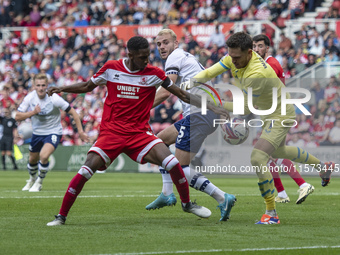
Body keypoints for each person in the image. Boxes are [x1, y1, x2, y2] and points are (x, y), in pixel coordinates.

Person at [45, 36, 229, 226]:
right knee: (85, 170)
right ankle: (61, 216)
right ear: (130, 55)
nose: (146, 61)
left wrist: (213, 108)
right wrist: (62, 88)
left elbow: (182, 93)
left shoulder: (154, 73)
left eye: (148, 56)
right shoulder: (111, 68)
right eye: (142, 57)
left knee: (172, 163)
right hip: (112, 133)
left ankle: (187, 203)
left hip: (139, 134)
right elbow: (87, 86)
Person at [187, 32, 335, 224]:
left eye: (237, 58)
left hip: (280, 114)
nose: (233, 61)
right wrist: (189, 82)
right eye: (231, 56)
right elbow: (208, 73)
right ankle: (322, 168)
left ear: (249, 53)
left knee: (257, 157)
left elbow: (245, 108)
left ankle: (271, 214)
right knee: (279, 151)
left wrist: (211, 101)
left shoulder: (256, 73)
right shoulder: (235, 56)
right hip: (270, 112)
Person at [145, 29, 236, 222]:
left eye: (166, 42)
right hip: (202, 112)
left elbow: (165, 91)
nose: (162, 46)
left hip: (200, 114)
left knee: (181, 168)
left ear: (175, 44)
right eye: (159, 43)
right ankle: (166, 194)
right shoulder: (183, 57)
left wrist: (138, 107)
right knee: (158, 143)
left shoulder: (174, 57)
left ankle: (222, 197)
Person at [252, 34, 315, 204]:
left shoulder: (271, 64)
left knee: (267, 154)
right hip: (273, 113)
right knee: (274, 154)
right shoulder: (264, 64)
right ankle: (283, 193)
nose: (256, 49)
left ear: (267, 48)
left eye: (260, 46)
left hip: (277, 114)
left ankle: (303, 184)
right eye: (254, 46)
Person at [15, 73, 89, 192]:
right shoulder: (30, 97)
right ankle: (32, 179)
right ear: (34, 86)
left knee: (44, 156)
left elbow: (74, 113)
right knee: (32, 160)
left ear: (47, 85)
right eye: (38, 85)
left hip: (53, 132)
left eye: (43, 85)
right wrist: (32, 112)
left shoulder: (54, 98)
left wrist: (80, 131)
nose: (41, 88)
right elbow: (17, 116)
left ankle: (39, 182)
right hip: (37, 133)